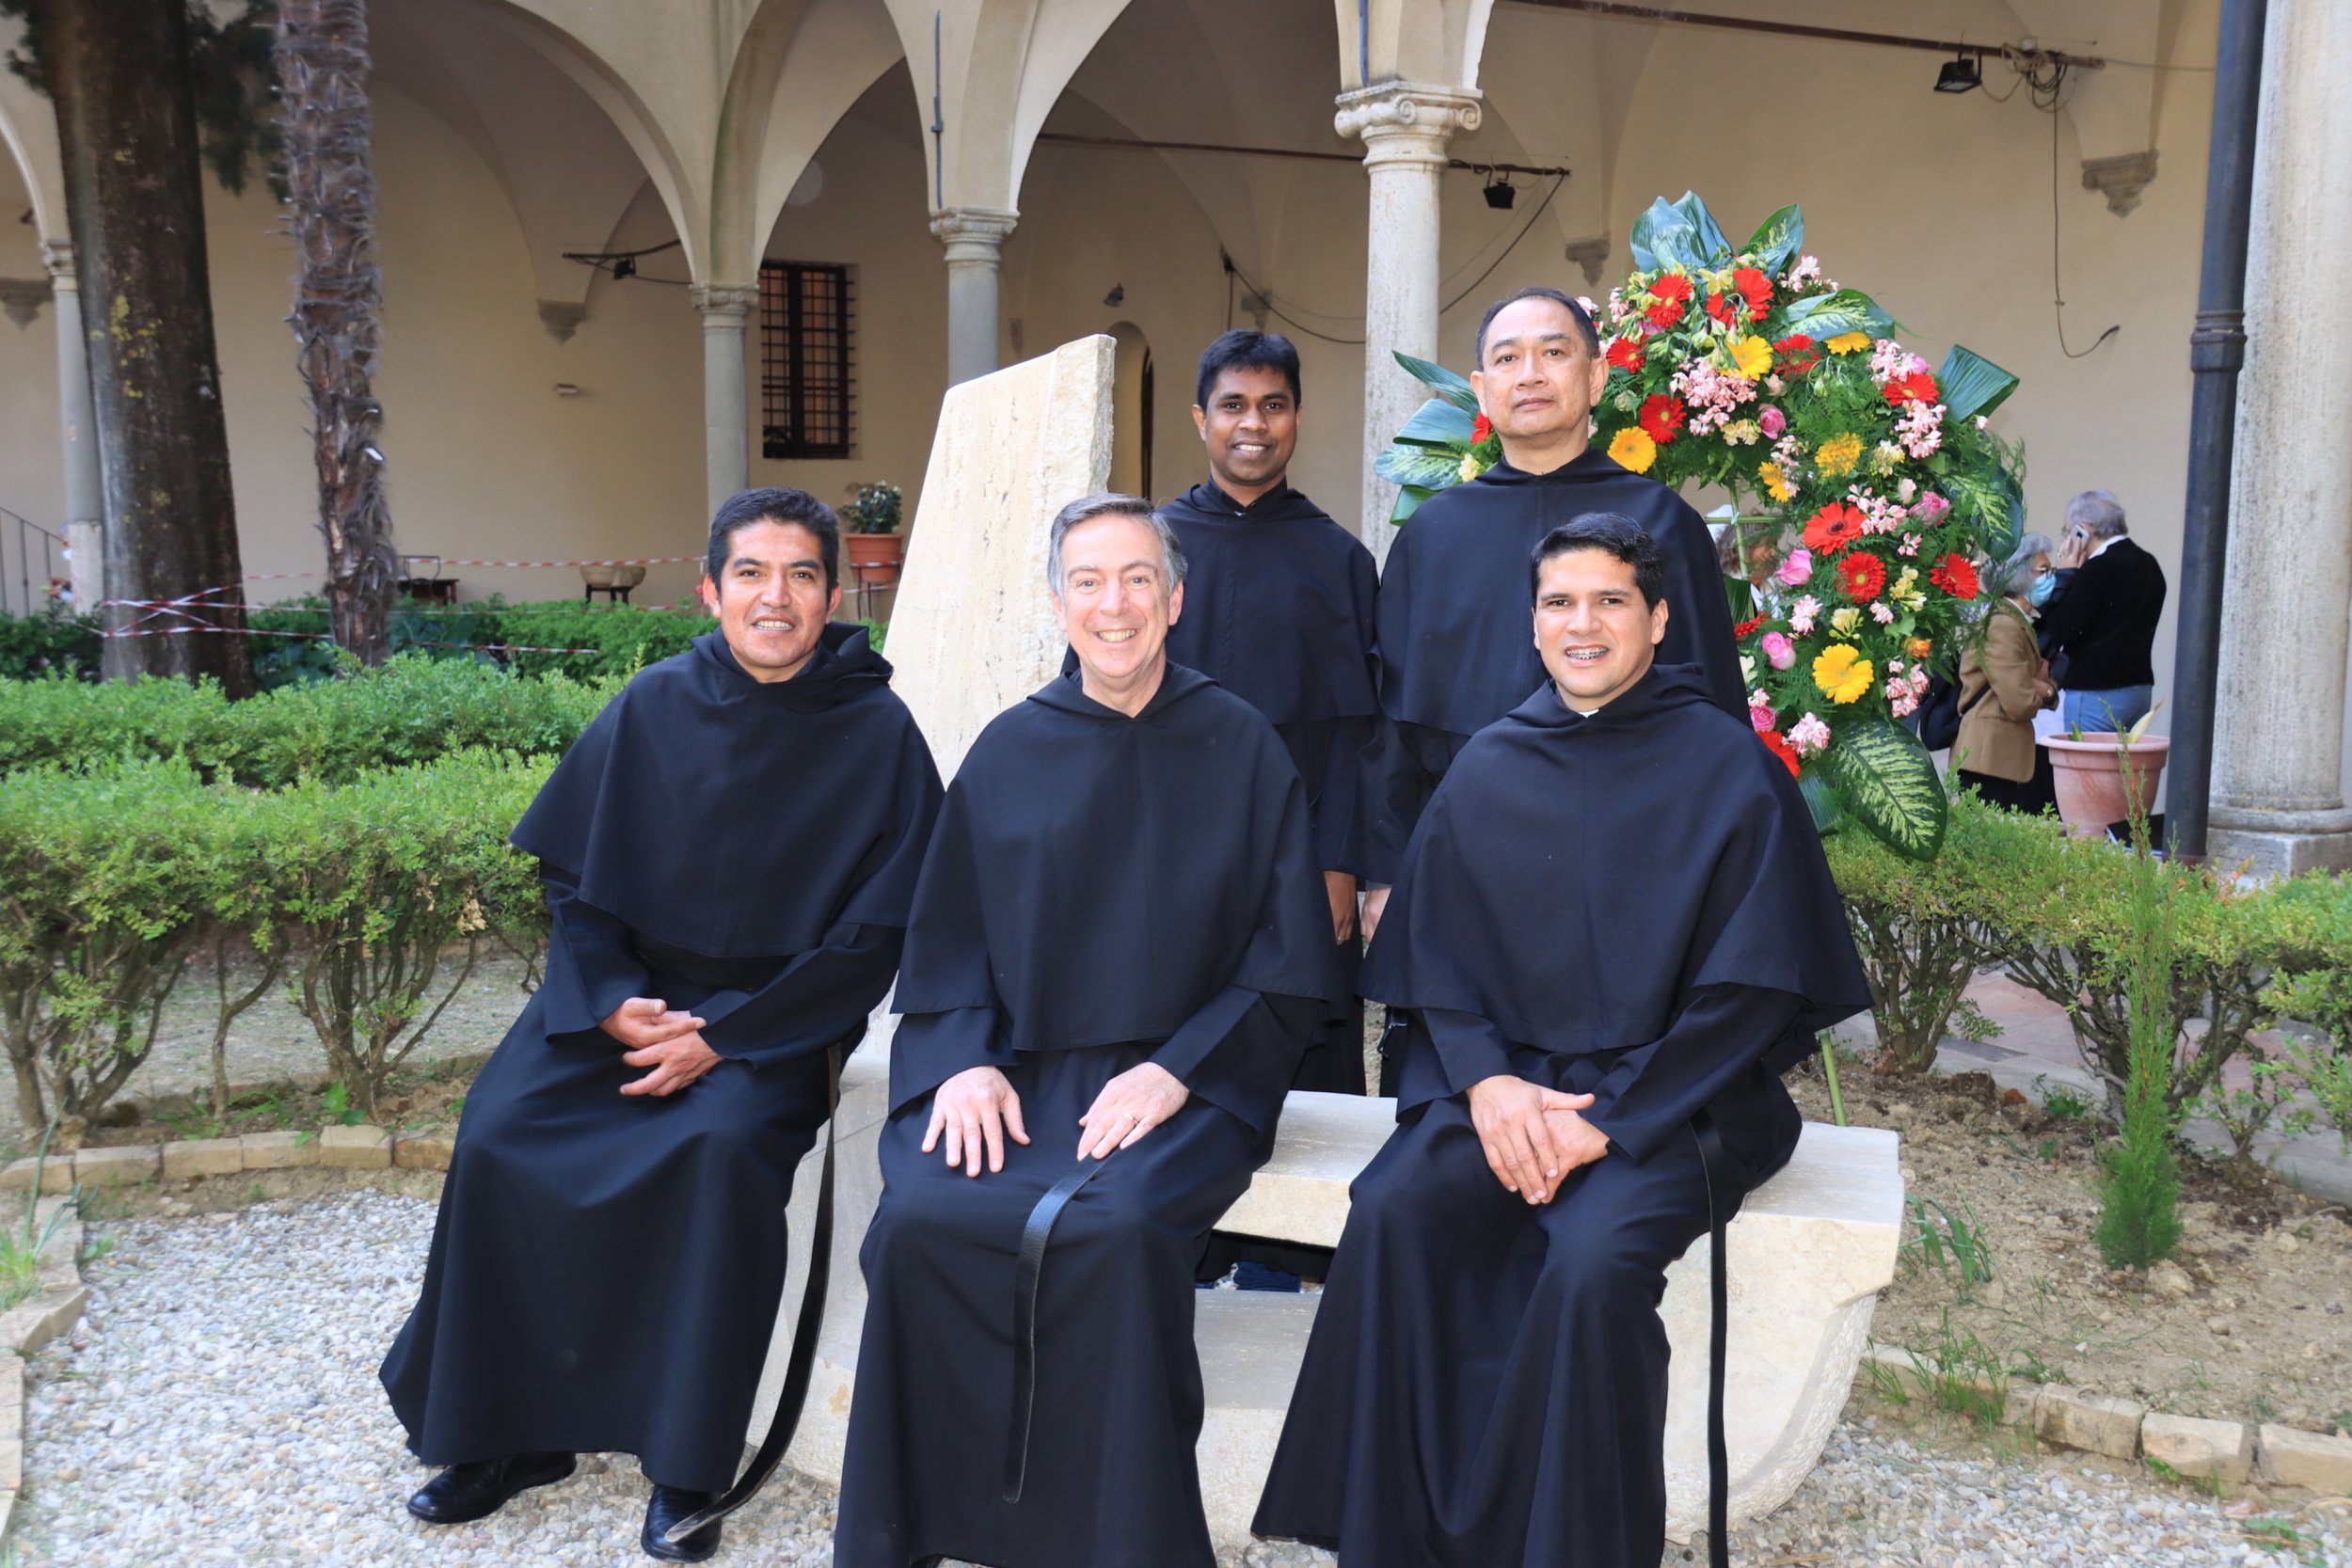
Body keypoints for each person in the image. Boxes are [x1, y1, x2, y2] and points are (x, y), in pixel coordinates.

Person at [1253, 515, 1871, 1568]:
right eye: (1558, 602)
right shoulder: (1493, 761)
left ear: (1659, 617)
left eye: (1609, 600)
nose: (1581, 623)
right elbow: (1435, 963)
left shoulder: (1729, 768)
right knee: (1395, 1210)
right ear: (1532, 621)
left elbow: (1752, 992)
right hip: (1508, 1086)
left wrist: (1611, 1123)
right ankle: (1394, 1539)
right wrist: (1489, 1086)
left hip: (1681, 1102)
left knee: (1590, 1264)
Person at [380, 488, 944, 1562]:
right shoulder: (650, 703)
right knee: (502, 1132)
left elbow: (873, 936)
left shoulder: (881, 732)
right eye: (750, 573)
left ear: (834, 592)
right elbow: (575, 884)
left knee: (715, 1149)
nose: (774, 596)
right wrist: (606, 1001)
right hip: (625, 1000)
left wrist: (725, 1036)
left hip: (777, 1021)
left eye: (799, 575)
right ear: (710, 588)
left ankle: (686, 1459)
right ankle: (507, 1432)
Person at [834, 495, 1338, 1568]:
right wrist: (962, 1058)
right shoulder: (1012, 748)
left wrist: (1179, 1071)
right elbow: (950, 934)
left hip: (1188, 1076)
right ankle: (922, 1525)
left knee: (1113, 1233)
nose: (1115, 604)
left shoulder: (1242, 745)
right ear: (1058, 601)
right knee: (923, 1214)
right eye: (1091, 582)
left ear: (1176, 597)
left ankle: (1116, 1540)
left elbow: (1287, 961)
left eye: (1138, 579)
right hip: (1020, 1069)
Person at [1359, 287, 1745, 942]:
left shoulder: (1663, 524)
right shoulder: (1432, 535)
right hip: (1466, 857)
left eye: (1554, 353)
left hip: (1640, 859)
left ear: (1595, 376)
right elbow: (1393, 723)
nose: (1531, 374)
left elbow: (1713, 715)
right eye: (1508, 359)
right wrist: (1385, 873)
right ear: (1481, 389)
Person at [1159, 329, 1377, 1097]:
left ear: (1296, 418)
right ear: (1200, 418)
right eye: (1234, 405)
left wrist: (1342, 862)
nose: (1253, 423)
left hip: (1300, 855)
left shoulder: (1340, 558)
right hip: (1164, 851)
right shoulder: (1147, 552)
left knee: (1307, 1074)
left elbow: (1359, 729)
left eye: (1273, 405)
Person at [2040, 488, 2166, 735]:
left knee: (2083, 771)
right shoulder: (2149, 563)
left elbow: (2061, 629)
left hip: (2094, 692)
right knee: (2125, 771)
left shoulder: (2097, 569)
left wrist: (2067, 574)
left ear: (2083, 530)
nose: (2067, 538)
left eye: (2068, 531)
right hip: (2139, 689)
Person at [1954, 532, 2060, 814]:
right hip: (1989, 759)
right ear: (2020, 577)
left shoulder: (2014, 621)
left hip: (1997, 757)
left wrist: (2039, 685)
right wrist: (2045, 688)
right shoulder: (2004, 626)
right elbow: (2020, 701)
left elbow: (2028, 685)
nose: (2051, 577)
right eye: (2043, 571)